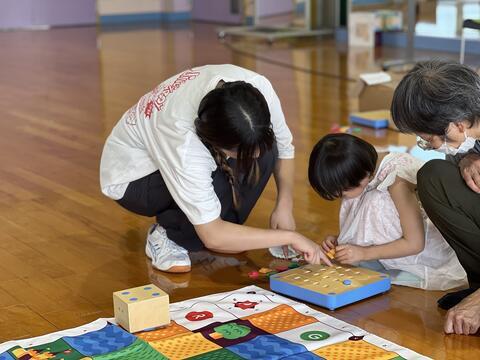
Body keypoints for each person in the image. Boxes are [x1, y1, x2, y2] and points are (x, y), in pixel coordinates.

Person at [100, 64, 330, 274]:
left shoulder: (257, 89)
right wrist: (289, 236)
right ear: (215, 141)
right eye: (236, 152)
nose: (256, 157)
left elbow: (284, 148)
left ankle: (216, 226)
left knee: (267, 149)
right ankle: (170, 234)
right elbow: (213, 235)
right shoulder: (184, 144)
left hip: (187, 153)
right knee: (211, 224)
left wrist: (284, 205)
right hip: (134, 179)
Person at [308, 133, 467, 291]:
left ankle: (377, 259)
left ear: (363, 178)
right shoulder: (364, 167)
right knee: (365, 199)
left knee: (374, 201)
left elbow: (415, 243)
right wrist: (341, 239)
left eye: (342, 194)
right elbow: (363, 218)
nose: (342, 198)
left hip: (432, 250)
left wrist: (363, 253)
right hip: (405, 238)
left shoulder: (397, 183)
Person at [391, 59, 480, 335]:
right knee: (434, 176)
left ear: (459, 124)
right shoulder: (468, 129)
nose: (430, 146)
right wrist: (468, 155)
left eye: (429, 140)